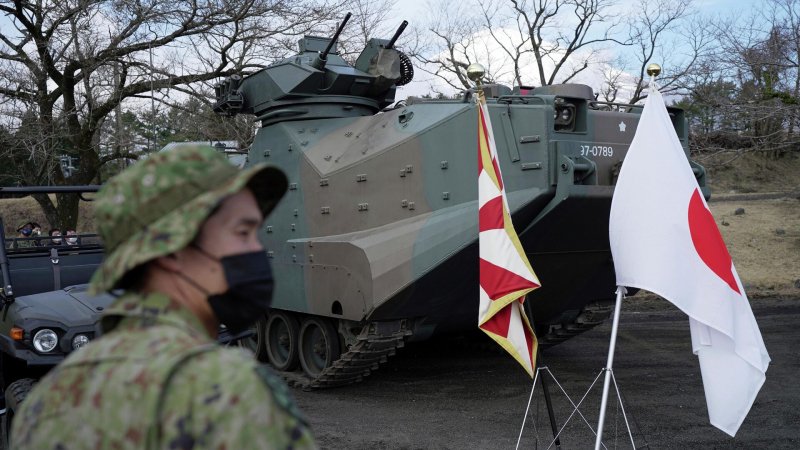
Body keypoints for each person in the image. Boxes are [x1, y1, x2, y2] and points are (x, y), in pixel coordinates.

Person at [11, 145, 316, 449]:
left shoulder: (47, 403)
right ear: (173, 250)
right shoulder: (228, 392)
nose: (256, 250)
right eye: (242, 232)